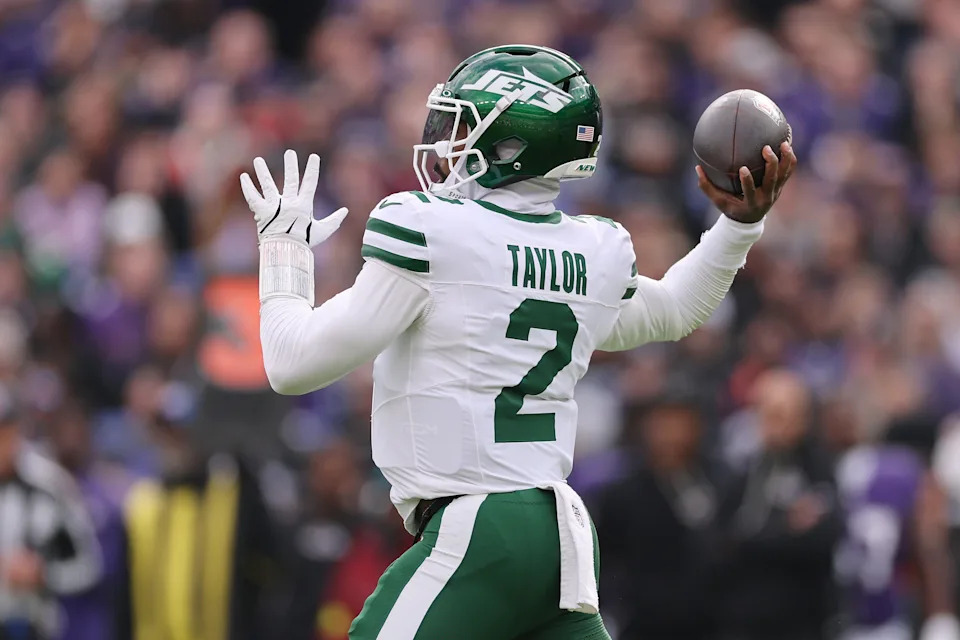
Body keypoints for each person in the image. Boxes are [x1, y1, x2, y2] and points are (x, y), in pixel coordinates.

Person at [240, 44, 796, 640]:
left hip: (480, 529)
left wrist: (283, 250)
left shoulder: (433, 231)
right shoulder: (592, 250)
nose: (447, 147)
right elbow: (679, 310)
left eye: (463, 129)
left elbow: (292, 363)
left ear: (512, 143)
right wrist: (739, 224)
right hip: (560, 538)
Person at [715, 370, 843, 640]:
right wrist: (785, 527)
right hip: (743, 616)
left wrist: (754, 538)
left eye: (789, 415)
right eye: (771, 414)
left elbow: (822, 538)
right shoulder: (740, 471)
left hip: (803, 617)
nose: (780, 425)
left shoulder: (818, 469)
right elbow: (720, 542)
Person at [593, 391, 726, 640]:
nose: (671, 436)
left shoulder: (719, 482)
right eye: (663, 426)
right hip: (644, 623)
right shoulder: (623, 495)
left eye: (680, 425)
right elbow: (606, 564)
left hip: (710, 622)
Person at [0, 386, 102, 640]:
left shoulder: (48, 484)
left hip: (30, 627)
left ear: (16, 430)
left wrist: (43, 573)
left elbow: (88, 565)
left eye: (3, 432)